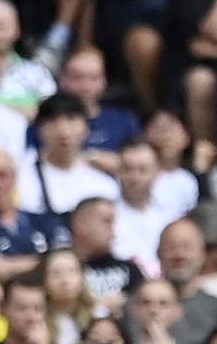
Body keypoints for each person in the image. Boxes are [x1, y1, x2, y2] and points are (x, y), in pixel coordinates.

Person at [0, 148, 71, 282]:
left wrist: (10, 265)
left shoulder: (43, 220)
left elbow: (65, 257)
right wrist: (43, 262)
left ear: (14, 177)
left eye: (2, 175)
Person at [17, 93, 119, 218]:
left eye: (71, 120)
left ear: (86, 128)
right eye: (52, 122)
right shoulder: (21, 178)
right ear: (39, 129)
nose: (63, 132)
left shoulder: (104, 184)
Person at [112, 141, 172, 277]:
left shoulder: (168, 217)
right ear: (118, 171)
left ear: (158, 172)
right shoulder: (106, 217)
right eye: (127, 169)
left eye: (142, 170)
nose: (134, 177)